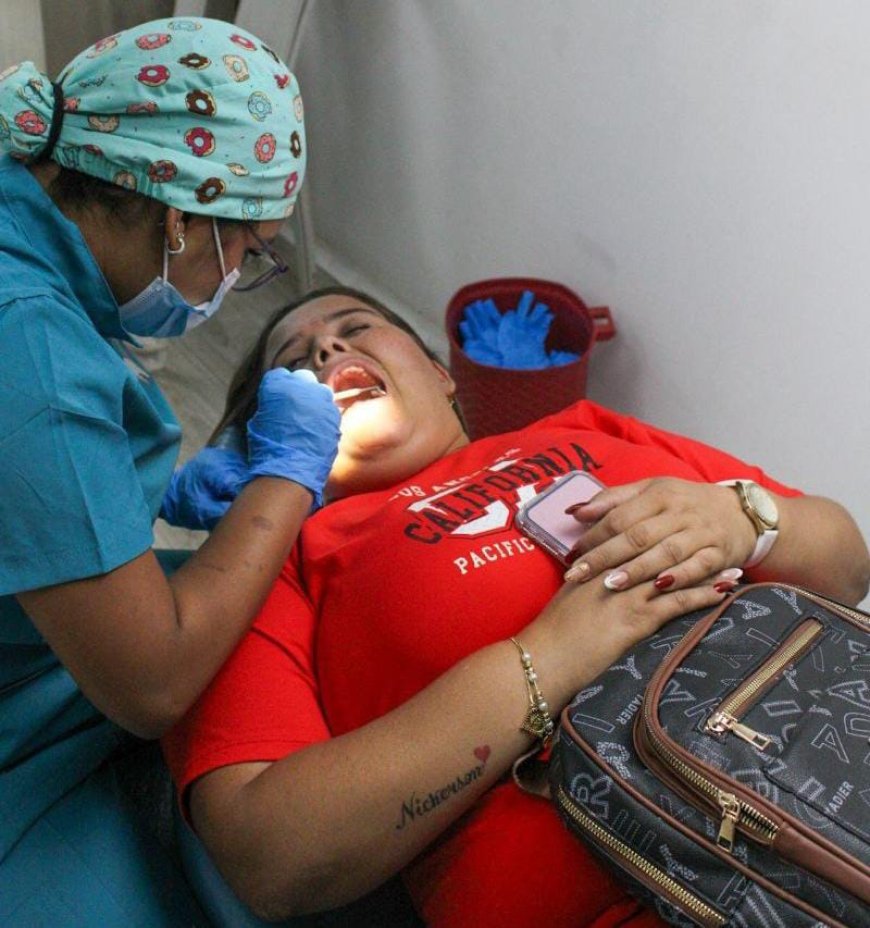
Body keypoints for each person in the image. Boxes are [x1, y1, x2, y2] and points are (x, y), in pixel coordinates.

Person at [162, 286, 870, 927]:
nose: (327, 349)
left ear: (440, 373)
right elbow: (269, 856)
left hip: (837, 789)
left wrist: (746, 517)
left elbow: (848, 566)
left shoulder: (589, 427)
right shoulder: (272, 568)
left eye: (357, 327)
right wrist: (547, 660)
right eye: (293, 363)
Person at [0, 18, 341, 927]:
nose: (239, 277)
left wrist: (125, 492)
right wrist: (285, 480)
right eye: (249, 252)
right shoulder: (30, 350)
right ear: (181, 217)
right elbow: (150, 684)